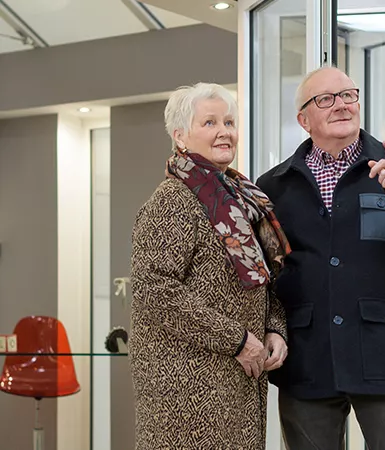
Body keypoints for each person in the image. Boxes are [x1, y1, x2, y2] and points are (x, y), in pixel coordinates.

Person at [257, 66, 385, 450]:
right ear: (304, 119)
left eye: (348, 95)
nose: (341, 105)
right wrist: (269, 328)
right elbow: (264, 275)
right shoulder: (273, 186)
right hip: (308, 362)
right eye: (325, 99)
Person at [128, 82, 290, 450]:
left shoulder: (241, 198)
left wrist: (273, 329)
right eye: (210, 123)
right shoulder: (171, 201)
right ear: (180, 136)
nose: (224, 132)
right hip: (185, 387)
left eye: (229, 122)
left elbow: (264, 279)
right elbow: (154, 291)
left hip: (237, 378)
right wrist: (236, 340)